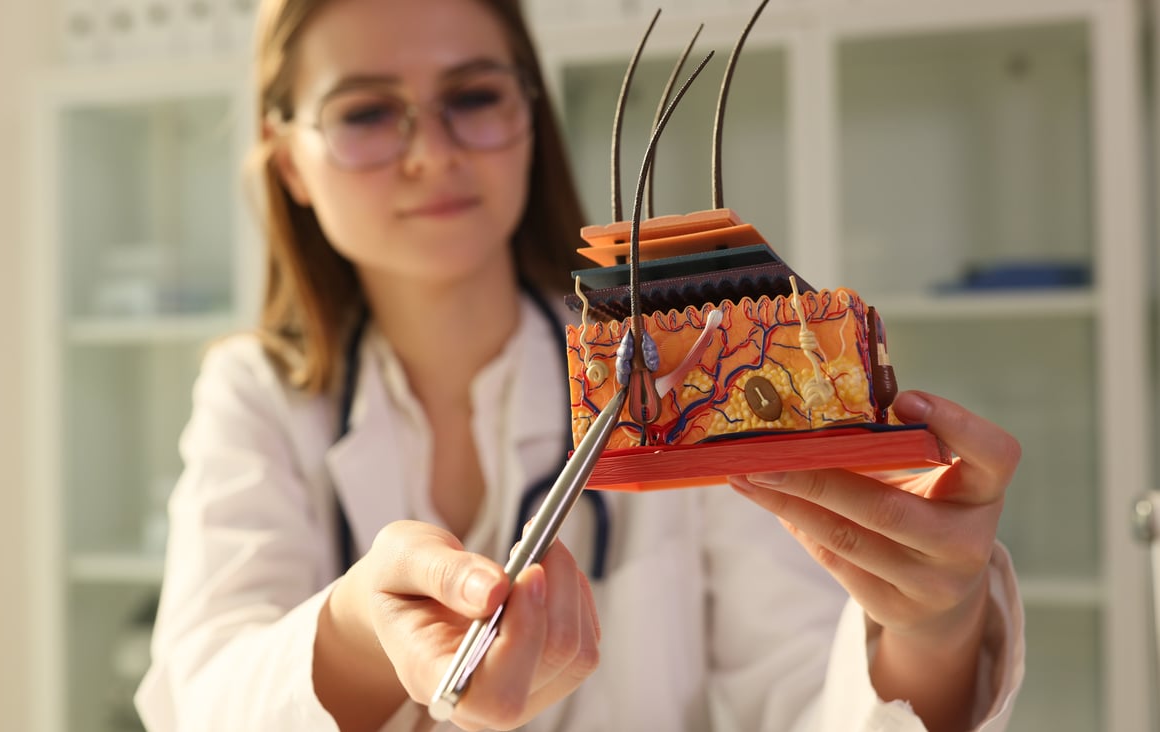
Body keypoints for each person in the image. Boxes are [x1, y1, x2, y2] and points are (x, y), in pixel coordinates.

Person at [134, 0, 1026, 729]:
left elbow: (808, 701)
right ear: (288, 161)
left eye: (473, 96)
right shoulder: (255, 397)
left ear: (529, 115)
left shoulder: (684, 372)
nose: (432, 152)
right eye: (365, 113)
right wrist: (361, 632)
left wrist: (932, 633)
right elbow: (199, 701)